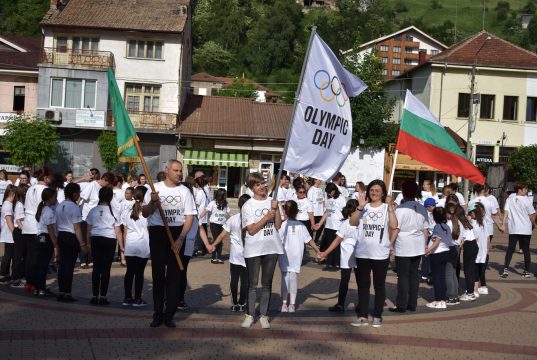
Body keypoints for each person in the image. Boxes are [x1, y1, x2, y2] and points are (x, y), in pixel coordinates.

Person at [142, 159, 196, 328]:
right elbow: (144, 213)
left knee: (174, 276)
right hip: (158, 232)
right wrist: (152, 202)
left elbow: (189, 217)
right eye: (176, 170)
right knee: (158, 275)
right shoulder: (154, 188)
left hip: (177, 232)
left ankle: (169, 314)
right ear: (167, 171)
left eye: (181, 170)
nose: (180, 173)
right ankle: (157, 313)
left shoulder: (185, 191)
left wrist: (181, 239)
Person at [349, 180, 397, 328]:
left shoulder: (386, 207)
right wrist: (360, 207)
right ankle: (363, 315)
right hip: (362, 252)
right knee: (363, 285)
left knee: (379, 285)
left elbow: (394, 226)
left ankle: (377, 315)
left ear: (383, 193)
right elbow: (352, 222)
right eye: (372, 190)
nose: (374, 193)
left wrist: (390, 207)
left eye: (377, 190)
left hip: (380, 254)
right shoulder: (364, 208)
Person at [240, 172, 283, 330]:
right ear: (251, 188)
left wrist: (276, 209)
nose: (261, 187)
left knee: (267, 284)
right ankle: (250, 314)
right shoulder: (248, 205)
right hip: (253, 249)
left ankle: (264, 314)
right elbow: (251, 230)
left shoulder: (272, 202)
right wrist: (266, 217)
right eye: (257, 185)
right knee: (252, 284)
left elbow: (278, 225)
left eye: (262, 184)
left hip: (272, 247)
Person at [389, 181, 429, 313]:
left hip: (404, 244)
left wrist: (390, 244)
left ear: (403, 192)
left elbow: (396, 228)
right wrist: (424, 245)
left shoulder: (401, 209)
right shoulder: (421, 207)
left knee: (403, 276)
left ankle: (401, 304)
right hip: (417, 244)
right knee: (414, 275)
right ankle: (412, 303)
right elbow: (425, 230)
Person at [318, 199, 361, 313]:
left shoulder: (346, 223)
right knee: (361, 280)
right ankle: (361, 304)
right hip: (360, 255)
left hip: (347, 256)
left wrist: (325, 253)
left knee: (344, 281)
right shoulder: (361, 222)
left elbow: (337, 240)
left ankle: (341, 305)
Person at [279, 200, 320, 313]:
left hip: (284, 256)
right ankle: (292, 304)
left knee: (285, 278)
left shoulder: (283, 225)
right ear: (297, 211)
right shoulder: (301, 225)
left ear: (285, 211)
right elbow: (309, 240)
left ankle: (284, 304)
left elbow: (277, 240)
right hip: (296, 256)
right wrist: (318, 250)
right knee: (293, 279)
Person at [212, 194, 250, 312]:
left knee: (234, 279)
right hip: (248, 254)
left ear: (239, 205)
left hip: (235, 255)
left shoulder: (233, 219)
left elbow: (222, 235)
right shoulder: (253, 220)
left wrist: (213, 245)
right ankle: (242, 302)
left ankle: (234, 303)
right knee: (245, 280)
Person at [86, 187, 122, 305]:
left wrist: (87, 243)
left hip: (96, 239)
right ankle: (103, 296)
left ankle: (94, 295)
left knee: (96, 268)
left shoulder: (93, 210)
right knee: (106, 268)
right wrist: (122, 246)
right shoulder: (114, 212)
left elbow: (88, 229)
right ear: (111, 197)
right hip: (109, 240)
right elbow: (118, 231)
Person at [55, 183, 86, 302]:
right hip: (71, 237)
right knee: (69, 266)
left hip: (61, 235)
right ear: (74, 194)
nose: (79, 195)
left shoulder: (60, 205)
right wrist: (82, 244)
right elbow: (77, 227)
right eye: (78, 193)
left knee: (62, 265)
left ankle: (61, 291)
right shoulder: (74, 207)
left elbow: (56, 224)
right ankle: (67, 293)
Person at [22, 167, 51, 293]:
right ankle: (37, 285)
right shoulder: (45, 190)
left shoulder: (30, 188)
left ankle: (29, 283)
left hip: (27, 225)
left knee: (30, 256)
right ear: (46, 178)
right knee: (39, 258)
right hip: (37, 227)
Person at [121, 186, 150, 307]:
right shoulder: (147, 212)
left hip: (130, 244)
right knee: (139, 273)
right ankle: (137, 299)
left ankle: (127, 298)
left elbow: (125, 230)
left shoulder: (129, 211)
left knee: (129, 272)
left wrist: (123, 246)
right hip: (142, 244)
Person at [500, 182, 536, 278]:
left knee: (510, 249)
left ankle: (505, 269)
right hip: (526, 229)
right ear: (519, 190)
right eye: (525, 189)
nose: (526, 191)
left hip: (514, 229)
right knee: (526, 250)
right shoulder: (527, 200)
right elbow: (531, 215)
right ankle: (526, 271)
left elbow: (506, 213)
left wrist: (503, 224)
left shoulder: (509, 199)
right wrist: (534, 224)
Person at [314, 183, 346, 269]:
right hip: (328, 225)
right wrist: (320, 224)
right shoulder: (329, 199)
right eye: (327, 192)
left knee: (336, 246)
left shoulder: (341, 199)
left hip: (337, 226)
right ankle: (329, 262)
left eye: (329, 192)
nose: (328, 194)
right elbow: (327, 212)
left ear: (334, 190)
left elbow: (345, 212)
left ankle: (337, 264)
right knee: (327, 244)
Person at [425, 207, 452, 309]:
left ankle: (437, 301)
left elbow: (437, 241)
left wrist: (428, 250)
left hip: (437, 253)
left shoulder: (437, 226)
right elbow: (448, 241)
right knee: (442, 276)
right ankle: (443, 301)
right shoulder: (447, 226)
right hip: (445, 252)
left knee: (436, 277)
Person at [34, 188, 58, 296]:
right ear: (50, 197)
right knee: (43, 265)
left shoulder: (42, 208)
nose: (56, 199)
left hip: (39, 238)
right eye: (54, 197)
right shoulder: (48, 210)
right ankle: (42, 289)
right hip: (46, 238)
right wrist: (55, 244)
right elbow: (50, 229)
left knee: (39, 265)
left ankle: (37, 288)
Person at [200, 188, 232, 264]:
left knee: (220, 240)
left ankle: (219, 257)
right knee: (216, 239)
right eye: (224, 195)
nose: (225, 196)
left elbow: (229, 213)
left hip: (222, 224)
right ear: (220, 195)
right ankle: (214, 257)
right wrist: (199, 217)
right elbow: (205, 211)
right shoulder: (213, 203)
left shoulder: (225, 204)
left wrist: (237, 217)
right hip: (214, 224)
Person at [10, 184, 28, 288]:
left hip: (21, 231)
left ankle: (18, 277)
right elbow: (18, 220)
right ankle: (15, 279)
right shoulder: (20, 204)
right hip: (20, 231)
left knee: (20, 255)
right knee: (18, 256)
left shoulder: (21, 203)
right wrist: (24, 230)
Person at [470, 202, 490, 297]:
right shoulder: (483, 221)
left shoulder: (474, 223)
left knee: (474, 269)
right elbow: (487, 237)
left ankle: (475, 289)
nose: (470, 214)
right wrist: (487, 248)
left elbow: (475, 237)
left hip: (476, 249)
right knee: (480, 269)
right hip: (483, 250)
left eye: (471, 213)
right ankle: (483, 287)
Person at [445, 203, 464, 305]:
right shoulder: (459, 223)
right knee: (453, 273)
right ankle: (455, 295)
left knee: (448, 273)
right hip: (456, 248)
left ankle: (451, 297)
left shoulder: (448, 224)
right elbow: (462, 238)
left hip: (449, 248)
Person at [0, 185, 16, 284]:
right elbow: (9, 221)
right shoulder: (8, 205)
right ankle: (3, 275)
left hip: (7, 232)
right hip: (9, 233)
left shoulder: (6, 204)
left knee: (8, 254)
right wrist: (14, 233)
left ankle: (5, 274)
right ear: (13, 194)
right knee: (8, 255)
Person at [193, 175, 210, 256]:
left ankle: (200, 249)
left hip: (200, 214)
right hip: (204, 214)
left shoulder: (200, 192)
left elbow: (197, 204)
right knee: (204, 231)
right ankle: (203, 248)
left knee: (199, 232)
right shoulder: (205, 191)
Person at [307, 178, 325, 245]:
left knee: (320, 227)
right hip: (314, 212)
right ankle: (310, 241)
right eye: (318, 179)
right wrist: (310, 212)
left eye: (320, 179)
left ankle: (316, 241)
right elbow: (309, 202)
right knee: (312, 227)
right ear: (315, 180)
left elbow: (322, 201)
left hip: (320, 212)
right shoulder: (311, 190)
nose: (320, 180)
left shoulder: (320, 189)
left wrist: (323, 210)